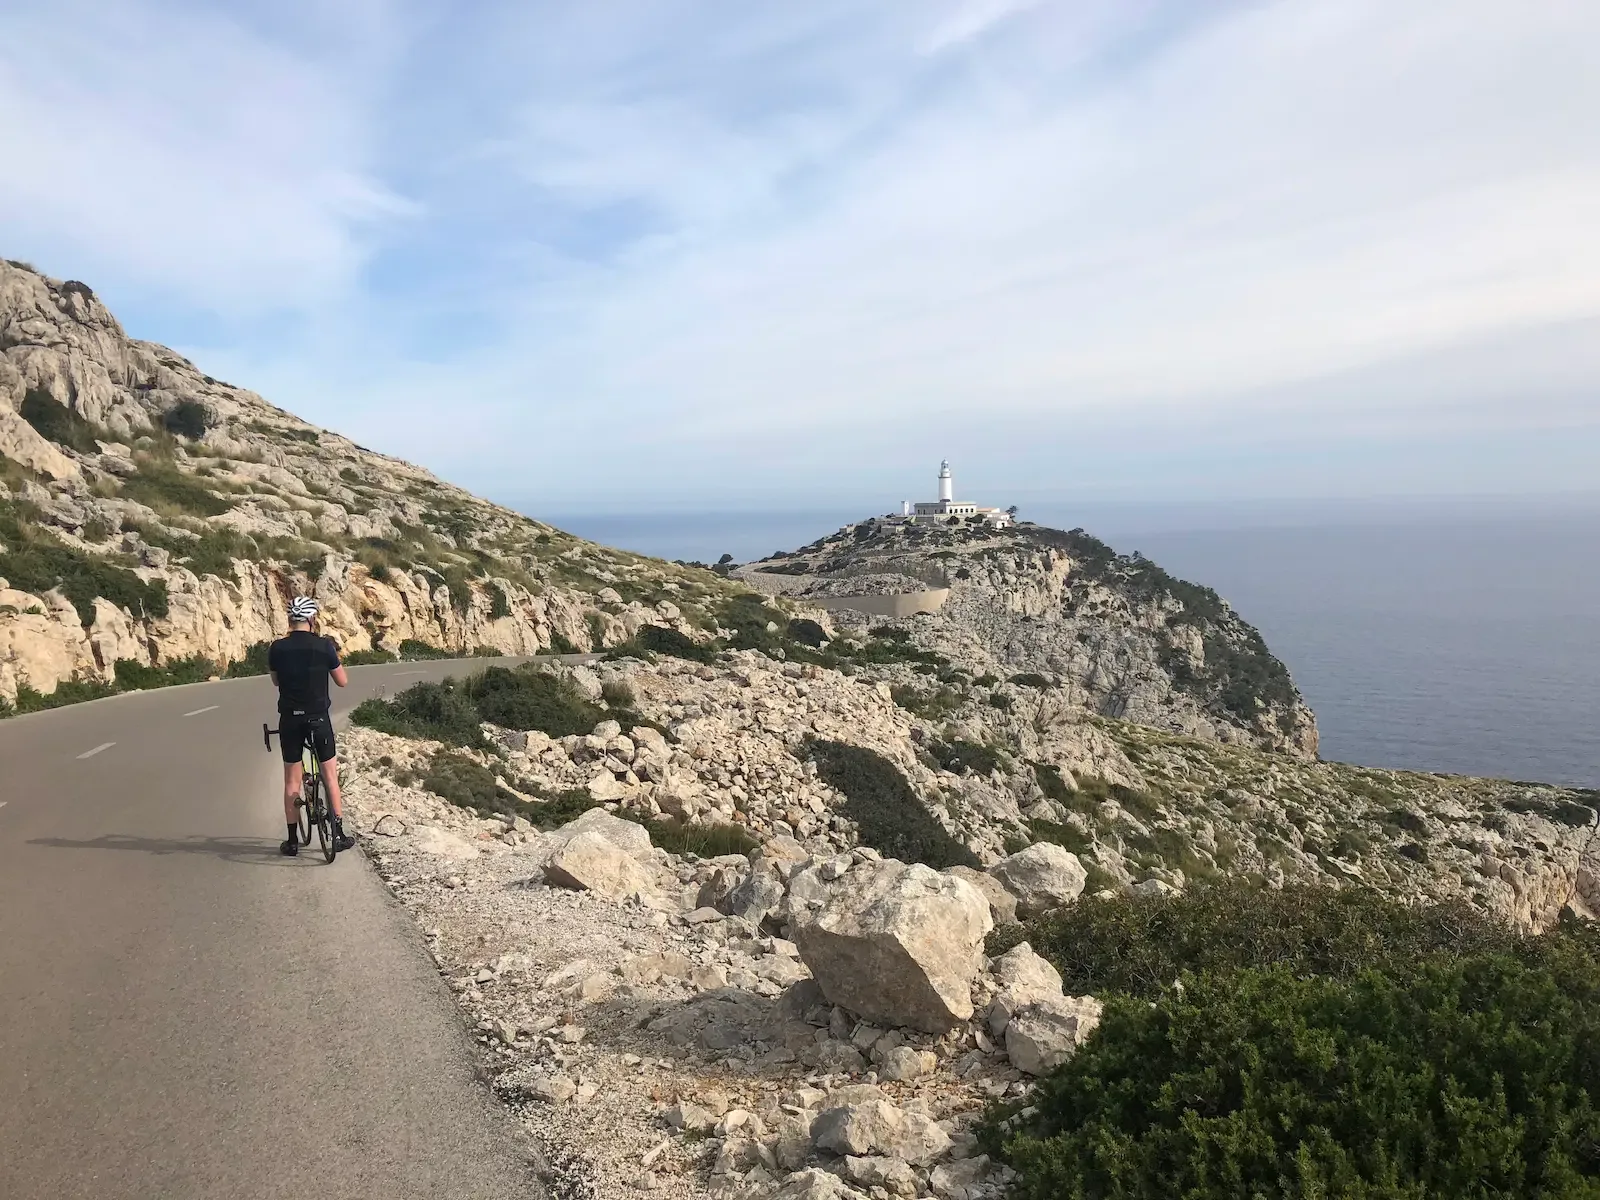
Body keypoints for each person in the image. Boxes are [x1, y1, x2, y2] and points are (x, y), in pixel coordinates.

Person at [267, 596, 355, 856]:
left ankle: (293, 841)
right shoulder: (324, 646)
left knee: (291, 783)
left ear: (290, 619)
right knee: (329, 776)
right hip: (318, 718)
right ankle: (337, 835)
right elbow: (342, 681)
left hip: (290, 720)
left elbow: (275, 681)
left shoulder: (276, 648)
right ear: (311, 619)